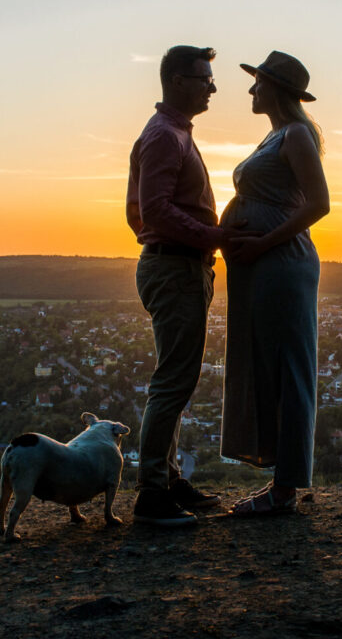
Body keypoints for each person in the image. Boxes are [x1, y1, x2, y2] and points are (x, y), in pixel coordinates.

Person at [125, 44, 236, 526]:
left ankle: (168, 480)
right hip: (176, 269)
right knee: (172, 382)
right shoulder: (166, 137)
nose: (213, 87)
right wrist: (211, 237)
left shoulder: (172, 134)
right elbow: (154, 210)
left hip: (176, 265)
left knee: (177, 379)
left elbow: (140, 214)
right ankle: (153, 495)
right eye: (204, 78)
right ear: (176, 81)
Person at [220, 50, 330, 517]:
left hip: (282, 263)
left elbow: (319, 204)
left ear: (276, 90)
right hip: (264, 264)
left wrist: (262, 243)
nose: (251, 91)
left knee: (289, 367)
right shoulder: (276, 136)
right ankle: (279, 482)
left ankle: (284, 490)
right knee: (266, 365)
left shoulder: (297, 134)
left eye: (258, 83)